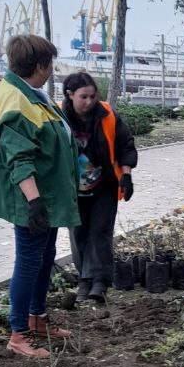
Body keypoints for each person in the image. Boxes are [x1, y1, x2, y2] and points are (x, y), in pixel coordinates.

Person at [0, 34, 79, 358]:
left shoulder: (28, 94)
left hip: (46, 197)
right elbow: (18, 157)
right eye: (50, 63)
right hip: (33, 201)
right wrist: (34, 202)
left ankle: (37, 318)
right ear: (40, 66)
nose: (52, 68)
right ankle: (18, 334)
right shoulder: (14, 100)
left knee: (44, 258)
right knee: (28, 263)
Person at [60, 72, 138, 303]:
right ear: (70, 95)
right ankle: (84, 281)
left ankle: (100, 282)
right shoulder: (57, 116)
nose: (89, 102)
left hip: (103, 184)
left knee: (100, 232)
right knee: (79, 233)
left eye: (93, 96)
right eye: (83, 97)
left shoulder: (107, 114)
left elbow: (125, 144)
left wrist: (126, 176)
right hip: (73, 188)